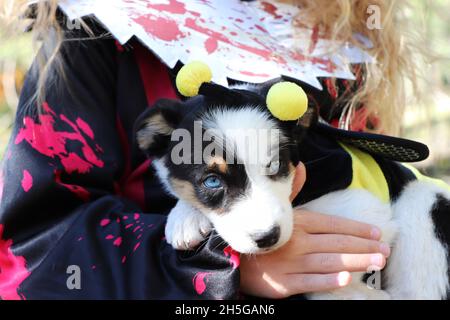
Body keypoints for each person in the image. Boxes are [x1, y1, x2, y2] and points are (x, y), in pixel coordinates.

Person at [0, 0, 443, 300]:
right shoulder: (95, 24)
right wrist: (217, 268)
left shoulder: (331, 34)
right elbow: (35, 247)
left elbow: (373, 181)